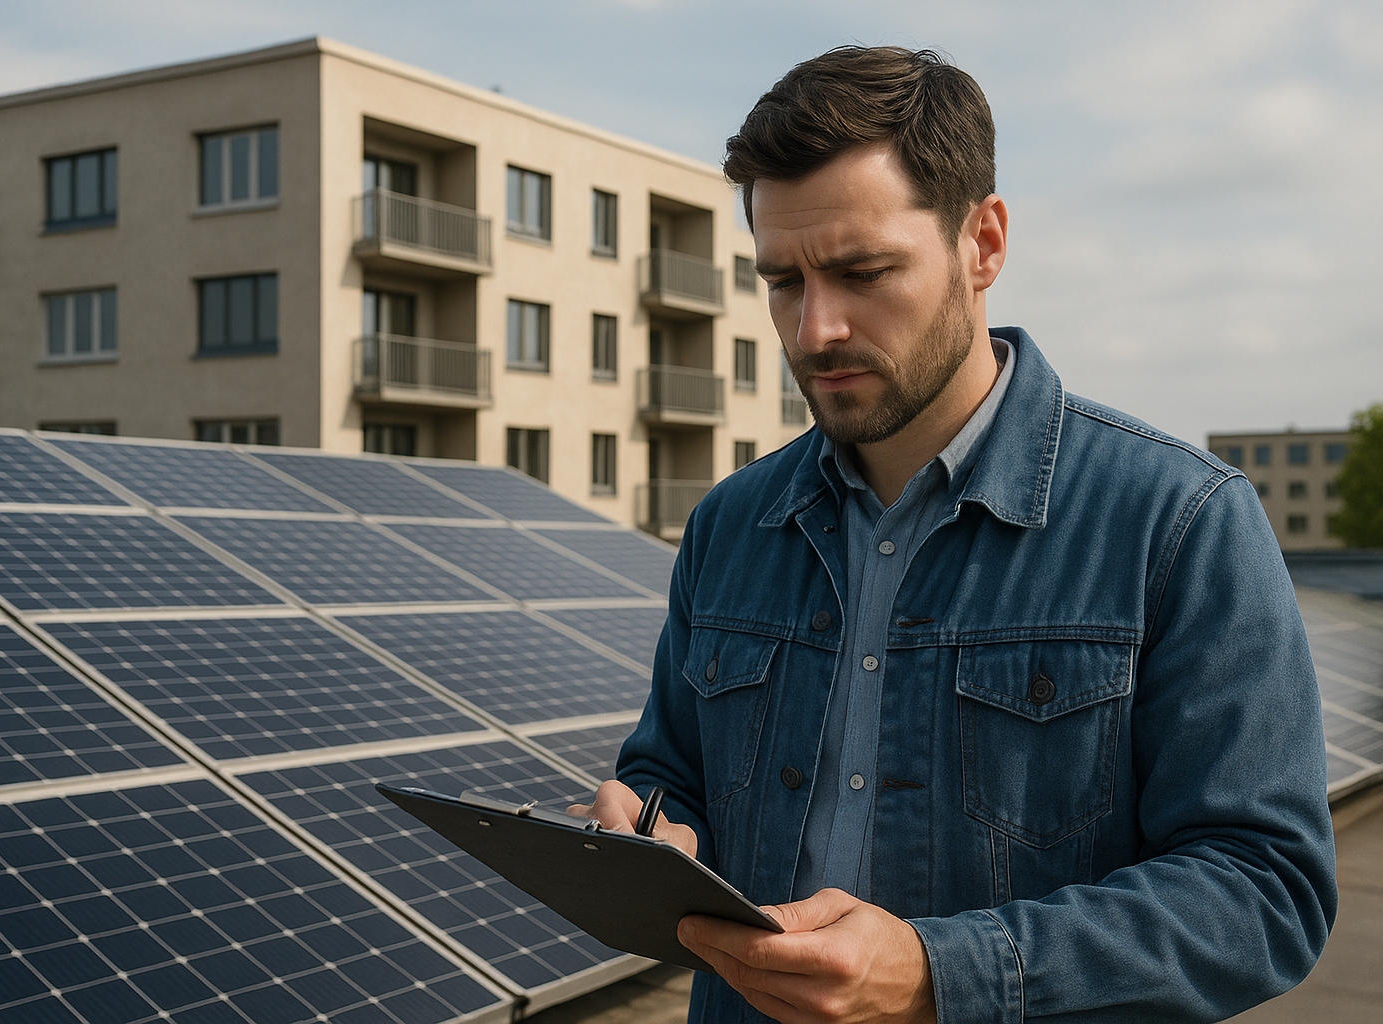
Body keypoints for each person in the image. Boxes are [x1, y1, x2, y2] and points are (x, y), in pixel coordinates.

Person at [572, 46, 1337, 1023]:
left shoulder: (1180, 521)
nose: (815, 330)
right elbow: (669, 768)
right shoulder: (731, 522)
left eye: (861, 272)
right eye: (781, 280)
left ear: (984, 242)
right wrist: (651, 826)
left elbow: (1265, 892)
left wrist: (941, 973)